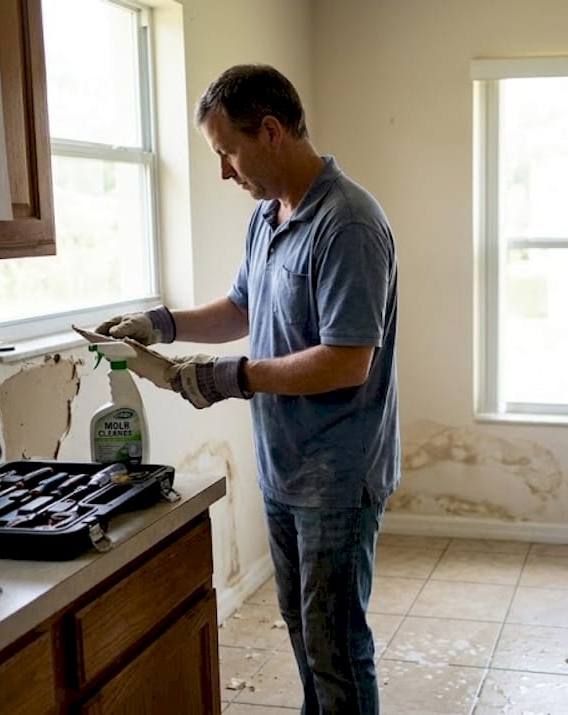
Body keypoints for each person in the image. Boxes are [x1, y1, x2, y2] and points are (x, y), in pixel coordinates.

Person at [97, 64, 399, 714]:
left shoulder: (348, 224)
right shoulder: (268, 217)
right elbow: (243, 307)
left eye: (226, 151)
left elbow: (349, 361)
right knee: (305, 634)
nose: (224, 172)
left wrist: (229, 377)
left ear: (268, 132)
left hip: (339, 479)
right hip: (284, 467)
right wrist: (163, 324)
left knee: (337, 646)